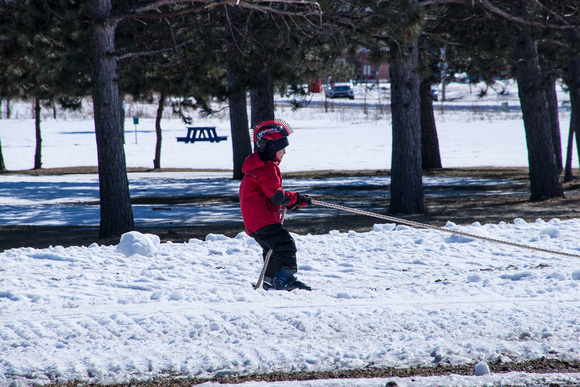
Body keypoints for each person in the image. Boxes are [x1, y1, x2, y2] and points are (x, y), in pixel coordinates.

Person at [239, 119, 312, 291]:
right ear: (272, 147)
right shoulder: (267, 167)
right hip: (263, 220)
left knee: (272, 249)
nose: (284, 152)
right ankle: (284, 279)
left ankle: (270, 280)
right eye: (282, 148)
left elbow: (268, 196)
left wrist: (292, 203)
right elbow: (277, 197)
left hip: (255, 222)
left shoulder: (258, 166)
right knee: (285, 243)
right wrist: (297, 198)